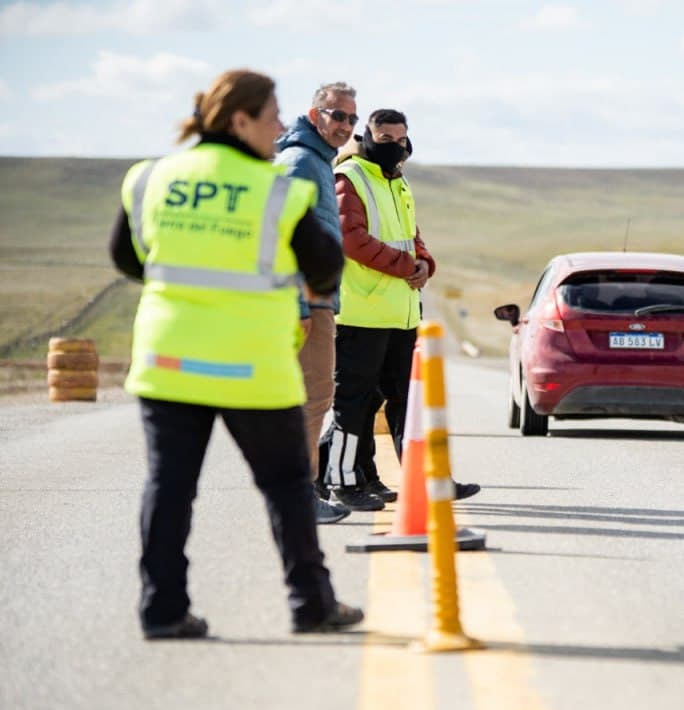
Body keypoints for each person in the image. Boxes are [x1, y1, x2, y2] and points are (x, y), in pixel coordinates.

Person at [109, 69, 364, 638]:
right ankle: (312, 604)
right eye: (273, 115)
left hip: (168, 361)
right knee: (286, 486)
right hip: (252, 365)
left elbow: (127, 259)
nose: (281, 126)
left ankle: (162, 610)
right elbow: (326, 267)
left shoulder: (151, 177)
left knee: (169, 486)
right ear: (240, 121)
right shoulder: (276, 191)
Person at [325, 108, 479, 510]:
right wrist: (404, 265)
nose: (395, 146)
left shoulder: (398, 181)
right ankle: (344, 482)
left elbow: (411, 236)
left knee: (407, 404)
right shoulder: (350, 178)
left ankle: (425, 480)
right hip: (361, 314)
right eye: (385, 139)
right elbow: (350, 238)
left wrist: (425, 263)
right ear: (367, 137)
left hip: (403, 312)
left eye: (400, 139)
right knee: (354, 404)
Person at [274, 81, 359, 525]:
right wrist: (300, 305)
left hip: (315, 299)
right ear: (314, 115)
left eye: (351, 118)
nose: (345, 125)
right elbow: (280, 234)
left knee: (310, 399)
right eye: (337, 115)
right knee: (313, 398)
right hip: (308, 300)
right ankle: (300, 497)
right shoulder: (302, 163)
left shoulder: (317, 161)